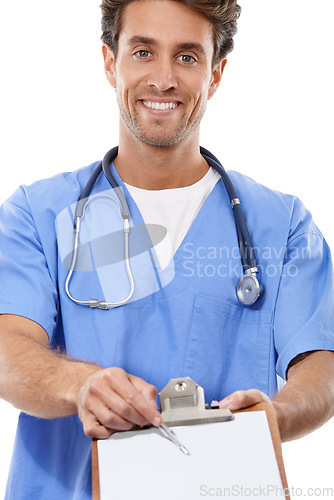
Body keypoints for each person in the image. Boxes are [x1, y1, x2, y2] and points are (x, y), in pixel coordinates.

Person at [0, 0, 334, 498]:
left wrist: (276, 417)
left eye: (187, 57)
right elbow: (9, 348)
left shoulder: (281, 224)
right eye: (142, 51)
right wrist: (79, 386)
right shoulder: (38, 213)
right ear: (111, 62)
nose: (163, 79)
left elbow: (321, 363)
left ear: (216, 73)